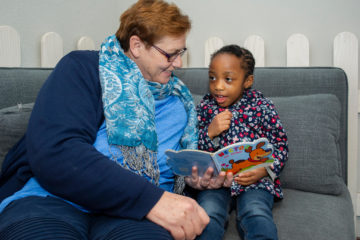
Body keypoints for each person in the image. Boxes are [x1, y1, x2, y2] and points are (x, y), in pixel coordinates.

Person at [0, 1, 233, 239]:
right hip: (53, 200)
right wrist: (153, 200)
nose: (179, 63)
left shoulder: (178, 101)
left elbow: (175, 173)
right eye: (170, 54)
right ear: (136, 45)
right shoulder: (83, 69)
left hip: (135, 217)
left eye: (181, 52)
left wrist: (197, 181)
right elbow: (57, 152)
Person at [196, 45, 288, 240]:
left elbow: (280, 145)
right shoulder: (205, 107)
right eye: (213, 77)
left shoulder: (262, 106)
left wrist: (265, 169)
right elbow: (193, 148)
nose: (218, 86)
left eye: (228, 79)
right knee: (208, 213)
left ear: (247, 81)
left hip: (254, 181)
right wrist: (210, 133)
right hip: (216, 182)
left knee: (255, 212)